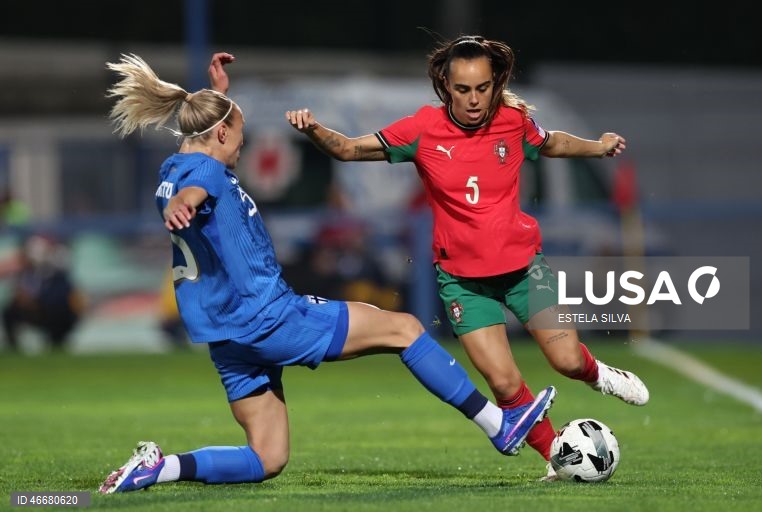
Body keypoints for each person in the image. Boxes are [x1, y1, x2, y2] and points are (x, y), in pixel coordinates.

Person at [98, 52, 557, 495]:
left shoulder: (172, 167)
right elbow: (202, 184)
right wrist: (189, 200)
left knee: (267, 458)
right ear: (220, 136)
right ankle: (500, 425)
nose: (243, 144)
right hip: (270, 317)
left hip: (227, 337)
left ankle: (160, 469)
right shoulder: (206, 175)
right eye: (239, 135)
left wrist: (218, 98)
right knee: (405, 329)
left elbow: (198, 157)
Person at [285, 35, 650, 480]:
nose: (474, 99)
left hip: (523, 270)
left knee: (567, 361)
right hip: (462, 281)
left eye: (482, 88)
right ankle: (557, 460)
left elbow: (551, 142)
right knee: (504, 383)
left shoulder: (513, 121)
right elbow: (347, 149)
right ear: (445, 84)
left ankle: (600, 376)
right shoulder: (421, 128)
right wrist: (314, 129)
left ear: (495, 84)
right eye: (463, 89)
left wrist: (597, 145)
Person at [2, 234, 82, 352]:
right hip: (35, 311)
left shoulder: (57, 274)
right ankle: (13, 346)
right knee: (9, 313)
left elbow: (61, 297)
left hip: (54, 313)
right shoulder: (25, 274)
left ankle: (57, 344)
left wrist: (36, 300)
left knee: (59, 321)